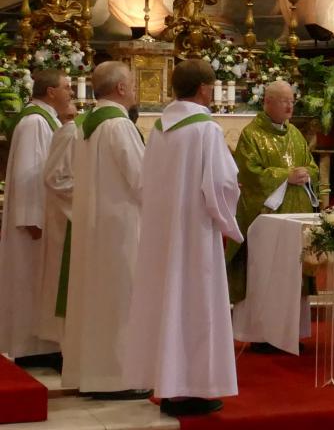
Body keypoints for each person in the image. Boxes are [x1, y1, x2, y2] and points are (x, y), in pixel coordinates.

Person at [124, 59, 243, 416]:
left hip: (162, 232)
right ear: (205, 89)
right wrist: (228, 222)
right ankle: (193, 389)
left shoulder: (160, 127)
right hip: (194, 234)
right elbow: (221, 184)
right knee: (196, 306)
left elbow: (144, 182)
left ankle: (170, 385)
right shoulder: (204, 129)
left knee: (168, 304)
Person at [62, 62, 147, 399]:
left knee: (97, 299)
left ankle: (93, 373)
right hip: (121, 227)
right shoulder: (118, 126)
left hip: (95, 224)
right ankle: (119, 377)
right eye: (132, 83)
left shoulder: (86, 124)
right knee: (121, 298)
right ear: (121, 89)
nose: (135, 89)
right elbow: (142, 181)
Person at [229, 80, 319, 353]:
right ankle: (262, 335)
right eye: (283, 101)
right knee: (268, 273)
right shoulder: (252, 135)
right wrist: (285, 177)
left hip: (297, 215)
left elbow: (312, 166)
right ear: (267, 102)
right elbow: (249, 173)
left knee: (293, 273)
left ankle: (290, 332)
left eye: (292, 100)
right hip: (266, 218)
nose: (290, 105)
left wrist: (306, 174)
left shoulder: (296, 135)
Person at [0, 69, 70, 366]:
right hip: (34, 223)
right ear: (50, 91)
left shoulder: (45, 119)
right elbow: (28, 173)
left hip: (45, 218)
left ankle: (46, 346)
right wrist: (32, 219)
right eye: (66, 86)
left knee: (44, 284)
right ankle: (31, 348)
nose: (70, 91)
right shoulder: (33, 122)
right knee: (30, 282)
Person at [36, 102, 78, 346]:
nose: (71, 93)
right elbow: (54, 177)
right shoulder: (73, 131)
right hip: (69, 218)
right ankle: (60, 343)